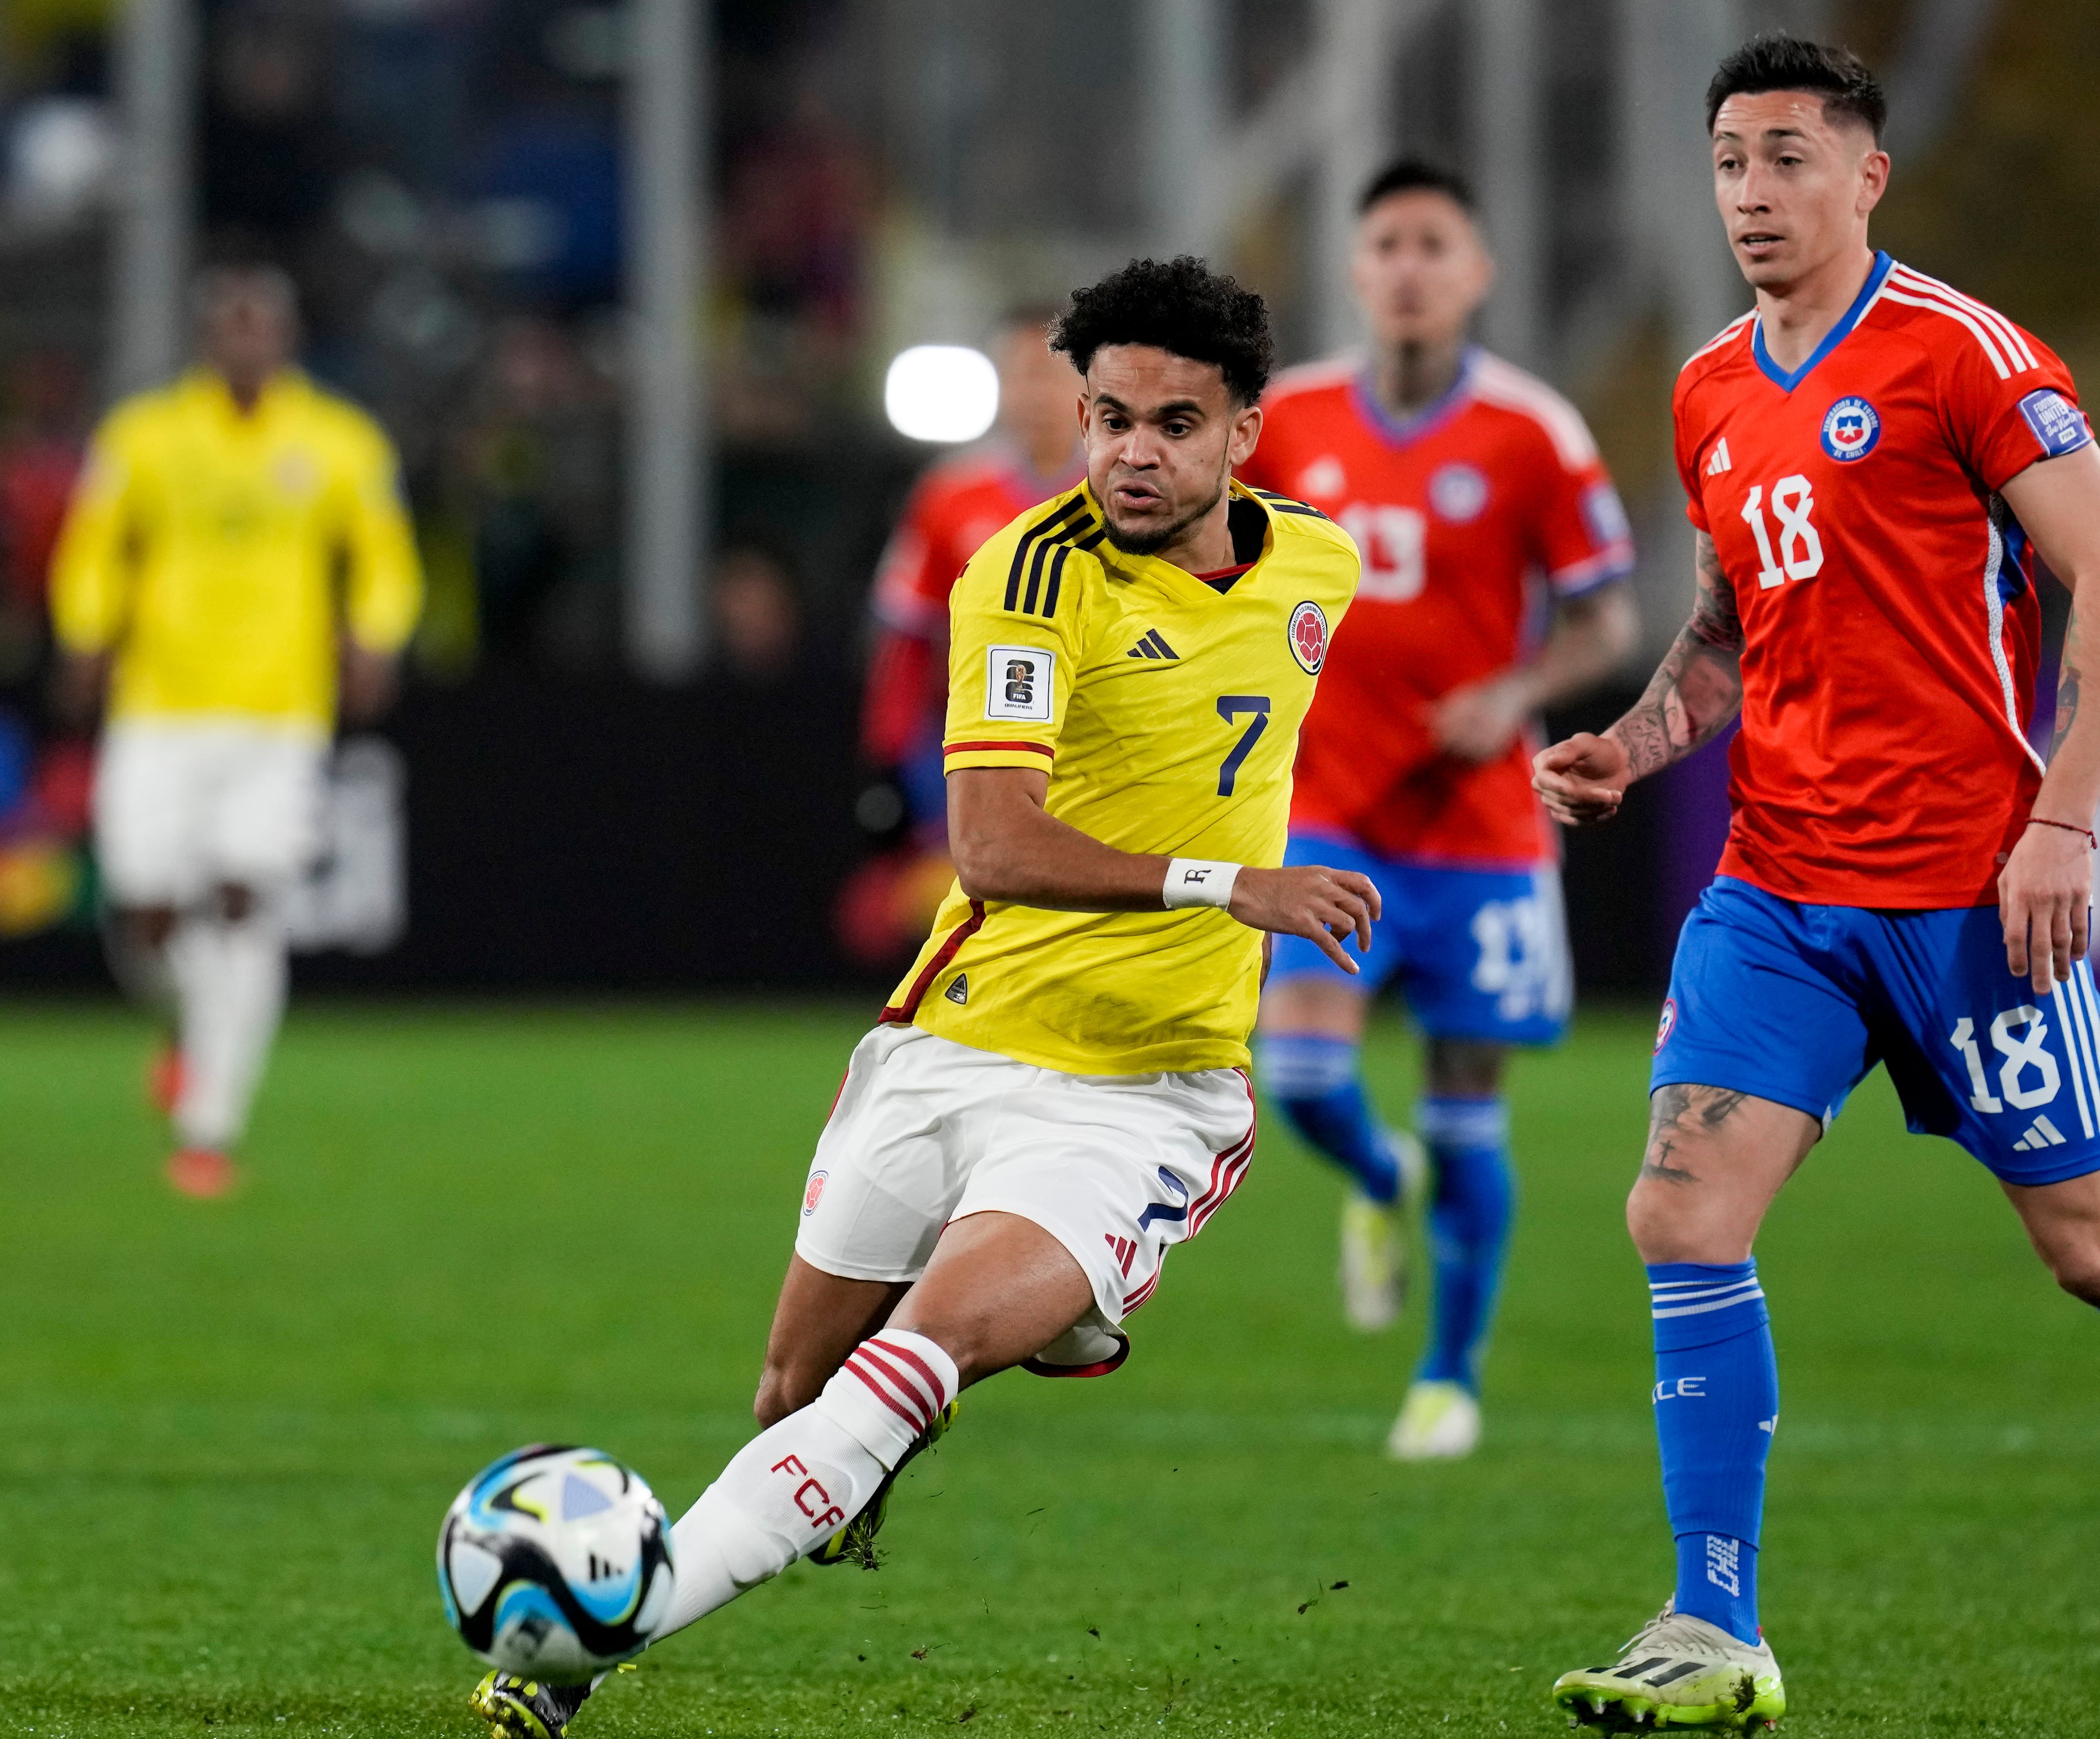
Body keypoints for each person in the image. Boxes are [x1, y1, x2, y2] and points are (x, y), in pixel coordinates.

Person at [1533, 39, 2100, 1735]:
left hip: (1971, 899)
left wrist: (2063, 824)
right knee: (1679, 1210)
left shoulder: (1965, 356)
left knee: (2098, 1248)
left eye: (1790, 158)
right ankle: (1717, 1624)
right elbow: (1725, 634)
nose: (1753, 195)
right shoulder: (1709, 385)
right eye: (1728, 162)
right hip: (1779, 887)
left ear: (1869, 176)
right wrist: (1637, 745)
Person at [470, 256, 1373, 1739]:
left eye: (1171, 422)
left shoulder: (1320, 567)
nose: (1131, 452)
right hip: (948, 1043)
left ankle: (586, 1647)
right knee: (791, 1391)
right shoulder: (1027, 570)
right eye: (1107, 417)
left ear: (1243, 438)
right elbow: (997, 844)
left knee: (917, 1354)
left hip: (1144, 1091)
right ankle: (950, 1378)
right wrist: (1238, 884)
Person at [1240, 159, 1638, 1460]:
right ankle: (1377, 1174)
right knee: (1297, 1075)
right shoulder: (1286, 420)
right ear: (1355, 271)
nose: (1409, 267)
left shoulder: (1534, 433)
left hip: (1475, 830)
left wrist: (1515, 689)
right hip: (1327, 807)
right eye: (1388, 244)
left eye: (1434, 245)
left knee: (1469, 1102)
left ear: (1477, 273)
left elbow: (1607, 618)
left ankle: (1448, 1377)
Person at [50, 263, 422, 1199]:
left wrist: (375, 635)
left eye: (262, 324)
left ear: (287, 336)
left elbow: (381, 554)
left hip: (279, 713)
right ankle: (184, 1024)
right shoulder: (146, 437)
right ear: (207, 337)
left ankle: (207, 1128)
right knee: (143, 905)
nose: (247, 338)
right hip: (159, 706)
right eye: (232, 324)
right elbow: (95, 546)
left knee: (247, 900)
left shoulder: (338, 441)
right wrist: (86, 633)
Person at [861, 308, 1088, 847]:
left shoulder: (1129, 495)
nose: (1034, 394)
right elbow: (908, 639)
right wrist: (889, 756)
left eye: (1049, 373)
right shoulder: (949, 495)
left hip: (1096, 747)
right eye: (1018, 374)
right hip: (973, 748)